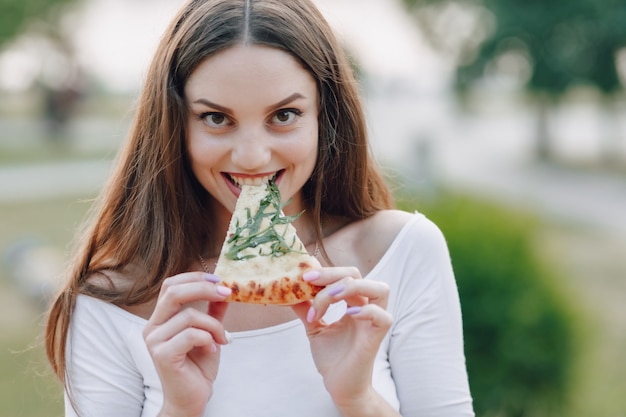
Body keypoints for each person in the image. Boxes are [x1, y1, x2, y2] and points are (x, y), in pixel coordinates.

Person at [44, 0, 474, 416]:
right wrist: (178, 409)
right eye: (216, 118)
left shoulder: (403, 252)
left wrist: (358, 399)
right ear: (174, 124)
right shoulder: (110, 300)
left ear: (325, 116)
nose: (251, 156)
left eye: (284, 115)